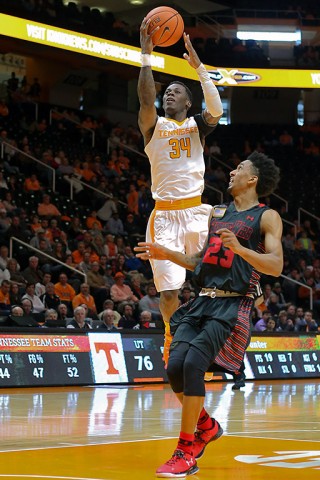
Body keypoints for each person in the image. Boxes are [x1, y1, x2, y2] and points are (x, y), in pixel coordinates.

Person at [135, 151, 283, 477]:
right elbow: (199, 262)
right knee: (174, 368)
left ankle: (185, 451)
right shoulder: (218, 214)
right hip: (202, 300)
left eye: (239, 168)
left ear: (253, 179)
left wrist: (242, 250)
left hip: (232, 305)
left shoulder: (267, 216)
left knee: (192, 365)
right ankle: (206, 426)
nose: (232, 171)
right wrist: (165, 253)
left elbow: (276, 265)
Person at [137, 22, 223, 364]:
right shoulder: (152, 126)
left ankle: (210, 340)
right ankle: (172, 334)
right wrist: (146, 57)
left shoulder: (196, 126)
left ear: (188, 102)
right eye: (167, 91)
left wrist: (199, 69)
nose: (169, 94)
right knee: (169, 293)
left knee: (212, 283)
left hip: (196, 213)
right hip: (164, 216)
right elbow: (145, 98)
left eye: (176, 91)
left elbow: (215, 109)